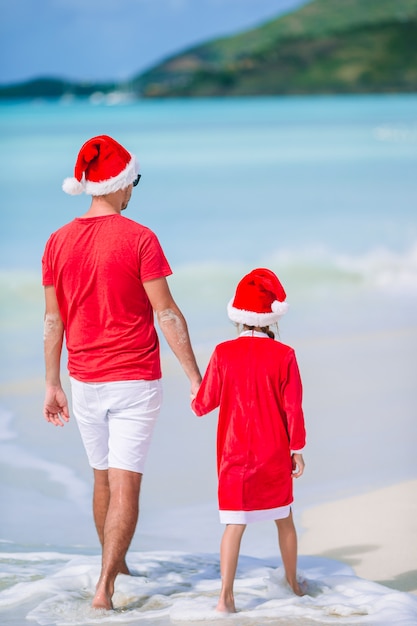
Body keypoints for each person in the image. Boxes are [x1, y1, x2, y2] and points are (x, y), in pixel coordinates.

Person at [42, 135, 202, 611]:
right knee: (126, 483)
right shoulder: (140, 238)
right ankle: (105, 588)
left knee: (103, 481)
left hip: (83, 379)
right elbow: (167, 313)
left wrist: (52, 383)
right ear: (119, 183)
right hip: (134, 379)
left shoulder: (56, 241)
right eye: (134, 180)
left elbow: (53, 320)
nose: (134, 189)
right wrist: (195, 377)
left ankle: (117, 566)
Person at [191, 268, 306, 613]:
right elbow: (293, 408)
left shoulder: (223, 353)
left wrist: (195, 391)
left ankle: (225, 598)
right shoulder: (284, 355)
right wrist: (296, 450)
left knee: (234, 524)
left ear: (238, 318)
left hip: (234, 457)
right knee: (284, 519)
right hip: (272, 453)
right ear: (272, 319)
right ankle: (293, 584)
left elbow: (203, 405)